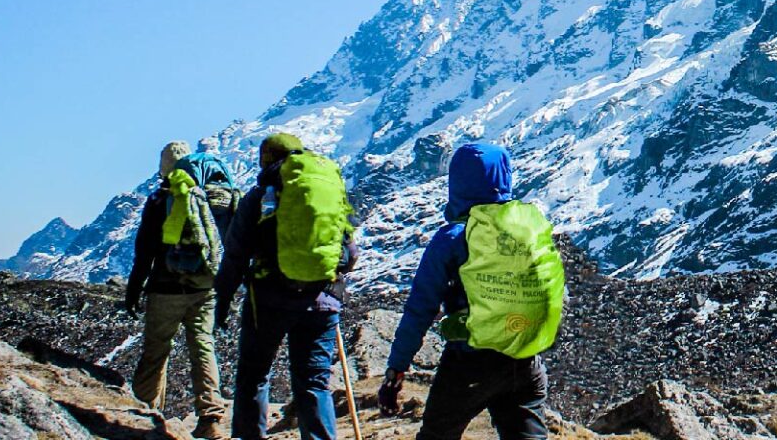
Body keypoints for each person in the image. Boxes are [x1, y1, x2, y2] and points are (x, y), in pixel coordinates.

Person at [376, 143, 566, 440]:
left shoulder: (452, 239)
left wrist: (396, 371)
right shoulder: (528, 230)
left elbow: (420, 310)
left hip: (470, 362)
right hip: (525, 358)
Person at [214, 133, 359, 440]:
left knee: (254, 376)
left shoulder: (261, 196)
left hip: (270, 299)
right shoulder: (327, 191)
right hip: (322, 300)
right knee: (314, 382)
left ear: (266, 159)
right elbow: (350, 255)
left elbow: (236, 252)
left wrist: (223, 299)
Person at [125, 141, 233, 439]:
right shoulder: (217, 198)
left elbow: (145, 250)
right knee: (203, 347)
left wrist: (134, 288)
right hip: (206, 288)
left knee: (157, 349)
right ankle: (211, 420)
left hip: (165, 287)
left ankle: (144, 413)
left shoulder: (162, 199)